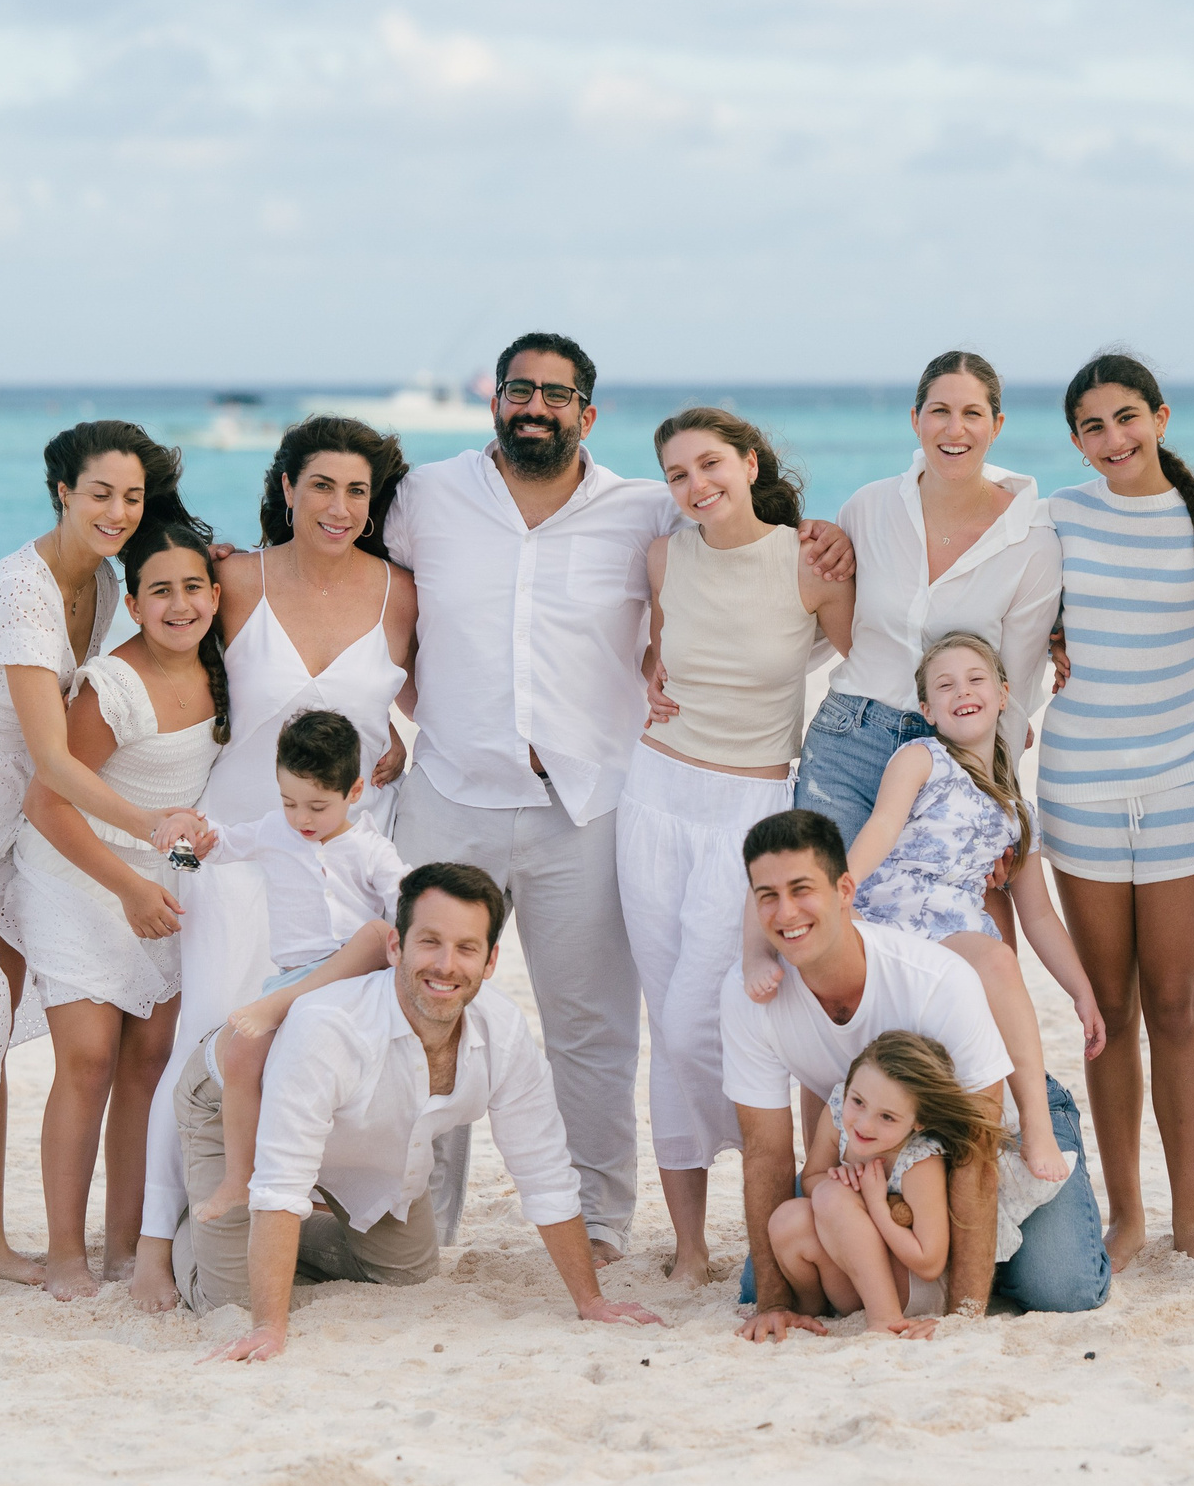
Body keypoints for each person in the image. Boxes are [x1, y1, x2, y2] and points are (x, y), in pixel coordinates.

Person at [384, 333, 851, 1263]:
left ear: (587, 414)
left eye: (556, 395)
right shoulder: (426, 496)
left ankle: (597, 1221)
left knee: (591, 1028)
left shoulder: (644, 511)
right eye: (519, 390)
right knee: (423, 1006)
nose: (535, 407)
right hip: (448, 793)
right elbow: (361, 585)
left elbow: (741, 554)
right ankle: (417, 1222)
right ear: (495, 402)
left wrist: (826, 534)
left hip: (589, 805)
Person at [0, 420, 209, 1311]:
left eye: (132, 497)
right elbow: (55, 761)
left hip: (4, 838)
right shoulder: (20, 595)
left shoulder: (104, 581)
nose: (118, 512)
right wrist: (150, 828)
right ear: (62, 490)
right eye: (100, 493)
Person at [129, 417, 417, 1311]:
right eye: (321, 485)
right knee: (209, 1037)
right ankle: (151, 1248)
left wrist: (396, 740)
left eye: (357, 490)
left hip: (345, 863)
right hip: (236, 855)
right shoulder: (237, 579)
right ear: (286, 487)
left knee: (333, 1042)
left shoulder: (401, 593)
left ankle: (308, 1216)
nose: (339, 506)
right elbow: (159, 653)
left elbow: (424, 700)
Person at [179, 863, 662, 1359]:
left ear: (491, 960)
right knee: (229, 1302)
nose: (446, 965)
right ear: (395, 947)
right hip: (238, 1104)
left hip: (365, 1131)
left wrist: (591, 1301)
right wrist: (269, 1328)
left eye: (466, 948)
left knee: (406, 1275)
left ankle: (277, 1234)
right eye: (430, 942)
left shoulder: (503, 1033)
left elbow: (545, 1173)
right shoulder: (328, 1029)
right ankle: (195, 1228)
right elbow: (281, 1182)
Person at [617, 407, 854, 1283]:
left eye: (710, 463)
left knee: (695, 1020)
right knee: (665, 1017)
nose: (696, 485)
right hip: (651, 796)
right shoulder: (662, 556)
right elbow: (657, 654)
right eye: (677, 475)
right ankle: (689, 1248)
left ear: (750, 463)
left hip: (750, 810)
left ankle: (774, 1186)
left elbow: (873, 670)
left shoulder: (810, 562)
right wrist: (648, 673)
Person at [721, 810, 1110, 1341]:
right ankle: (938, 1252)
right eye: (767, 895)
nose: (786, 912)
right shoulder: (751, 996)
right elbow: (766, 1151)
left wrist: (964, 1313)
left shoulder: (932, 979)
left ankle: (971, 1259)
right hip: (876, 1150)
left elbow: (975, 1147)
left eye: (802, 890)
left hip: (995, 1128)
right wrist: (773, 1303)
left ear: (844, 890)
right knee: (764, 1276)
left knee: (1061, 1287)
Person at [760, 631, 1098, 1216]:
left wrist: (1082, 991)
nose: (962, 692)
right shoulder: (921, 758)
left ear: (1003, 695)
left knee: (998, 960)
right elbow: (882, 826)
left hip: (954, 928)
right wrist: (844, 893)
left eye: (975, 680)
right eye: (945, 685)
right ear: (927, 710)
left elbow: (1039, 913)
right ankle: (833, 1167)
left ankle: (1037, 1127)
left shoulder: (1018, 810)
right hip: (892, 913)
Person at [1043, 353, 1194, 1267]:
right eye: (1093, 426)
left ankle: (1190, 1222)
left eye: (1127, 417)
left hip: (1184, 782)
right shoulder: (1057, 516)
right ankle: (1126, 1218)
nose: (1113, 438)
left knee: (1176, 1004)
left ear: (1160, 417)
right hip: (1081, 783)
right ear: (1076, 442)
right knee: (1108, 1012)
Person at [10, 519, 227, 1301]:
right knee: (90, 1058)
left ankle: (130, 1244)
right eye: (160, 591)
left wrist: (174, 872)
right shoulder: (113, 688)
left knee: (149, 1060)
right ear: (133, 605)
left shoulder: (221, 668)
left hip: (158, 876)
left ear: (215, 596)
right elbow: (46, 803)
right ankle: (66, 1252)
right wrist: (127, 888)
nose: (179, 604)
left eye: (194, 587)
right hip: (77, 872)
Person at [798, 350, 1062, 845]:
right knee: (829, 890)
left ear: (996, 425)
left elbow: (1014, 690)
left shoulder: (1033, 543)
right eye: (940, 411)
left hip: (955, 754)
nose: (954, 429)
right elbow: (833, 621)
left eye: (972, 413)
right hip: (846, 742)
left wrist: (997, 801)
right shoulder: (868, 508)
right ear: (915, 419)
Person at [190, 709, 406, 1226]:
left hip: (354, 975)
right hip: (293, 980)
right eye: (289, 802)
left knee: (377, 934)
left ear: (355, 792)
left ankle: (331, 1182)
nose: (301, 818)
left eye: (317, 806)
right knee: (242, 1052)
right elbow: (209, 852)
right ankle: (238, 1178)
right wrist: (181, 837)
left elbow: (406, 894)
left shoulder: (370, 847)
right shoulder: (274, 831)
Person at [763, 1031, 1003, 1339]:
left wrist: (876, 1204)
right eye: (858, 1101)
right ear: (848, 1088)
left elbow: (929, 1263)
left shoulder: (919, 1161)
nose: (864, 1124)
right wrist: (842, 1179)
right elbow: (812, 1178)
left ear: (918, 1122)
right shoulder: (839, 1114)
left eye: (887, 1117)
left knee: (832, 1197)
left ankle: (886, 1319)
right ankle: (811, 1310)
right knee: (787, 1218)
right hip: (860, 1271)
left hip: (912, 1286)